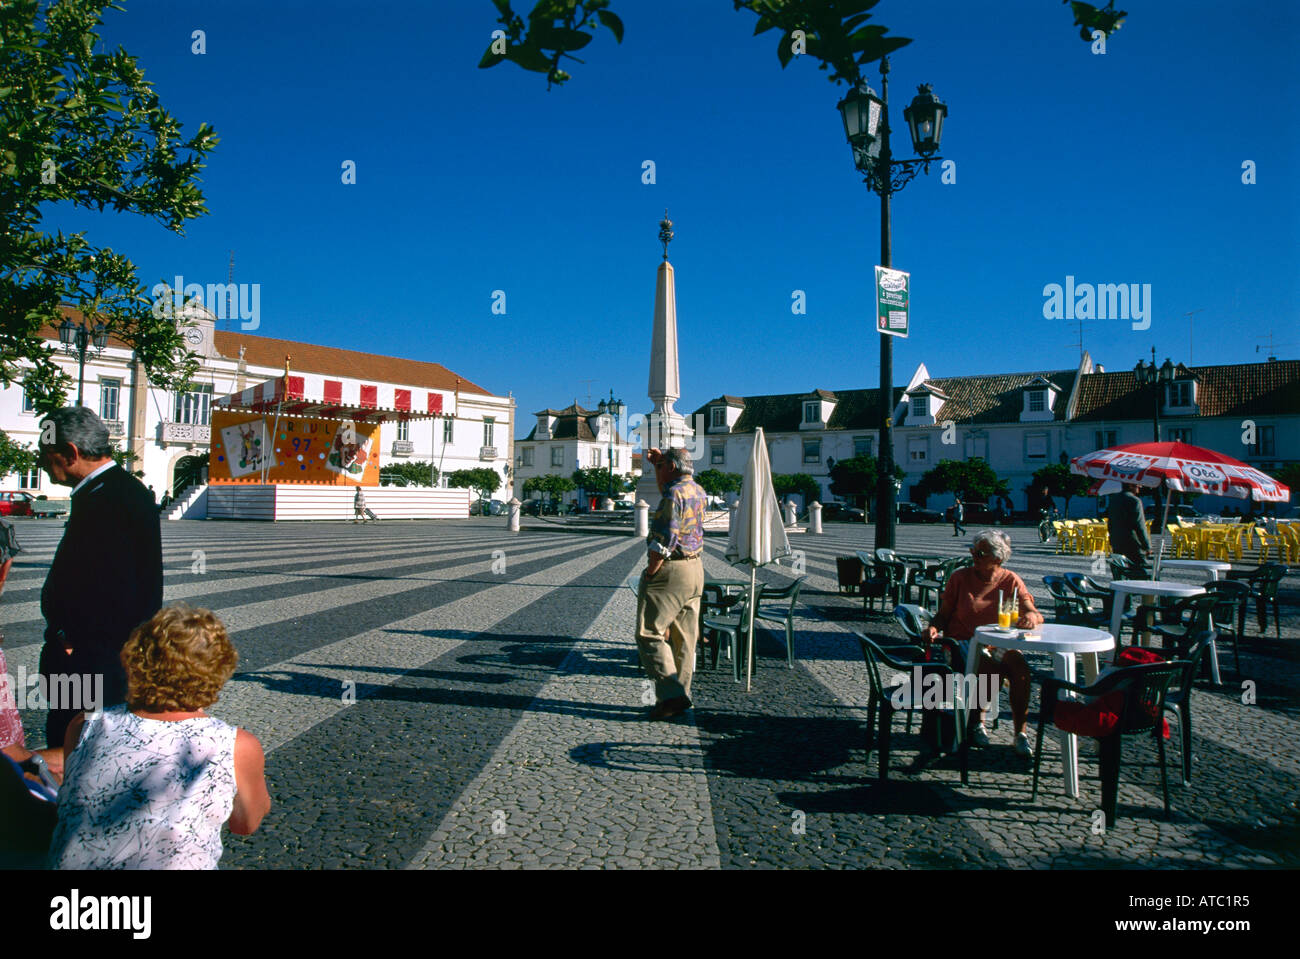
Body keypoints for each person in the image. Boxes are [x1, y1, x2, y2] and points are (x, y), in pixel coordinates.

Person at [47, 605, 271, 869]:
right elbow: (245, 825)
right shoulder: (236, 745)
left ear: (133, 661)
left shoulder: (85, 722)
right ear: (219, 669)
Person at [38, 407, 163, 749]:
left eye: (46, 456)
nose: (42, 465)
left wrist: (69, 635)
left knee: (74, 743)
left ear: (71, 453)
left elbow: (114, 587)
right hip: (94, 655)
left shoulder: (110, 498)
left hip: (90, 658)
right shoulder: (111, 491)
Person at [922, 529, 1044, 758]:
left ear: (997, 559)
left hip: (998, 642)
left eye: (980, 553)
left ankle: (1021, 734)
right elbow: (943, 614)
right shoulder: (960, 577)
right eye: (972, 551)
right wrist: (934, 627)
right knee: (990, 666)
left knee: (1019, 667)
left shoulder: (1011, 580)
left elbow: (1034, 612)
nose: (973, 557)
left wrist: (1030, 617)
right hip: (961, 642)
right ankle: (977, 721)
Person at [636, 447, 706, 721]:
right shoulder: (697, 490)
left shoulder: (672, 494)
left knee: (649, 633)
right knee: (685, 639)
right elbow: (667, 485)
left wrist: (652, 571)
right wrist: (656, 465)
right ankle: (679, 697)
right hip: (695, 568)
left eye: (663, 464)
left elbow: (664, 538)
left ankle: (672, 694)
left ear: (673, 467)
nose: (660, 469)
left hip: (672, 570)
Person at [1107, 482, 1151, 577]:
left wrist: (1112, 538)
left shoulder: (1113, 500)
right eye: (1138, 485)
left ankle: (1121, 589)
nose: (1140, 486)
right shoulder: (1135, 501)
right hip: (1132, 543)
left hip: (1117, 541)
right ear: (1130, 485)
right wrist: (1146, 545)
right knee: (1140, 571)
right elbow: (1140, 526)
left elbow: (1110, 523)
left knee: (1119, 571)